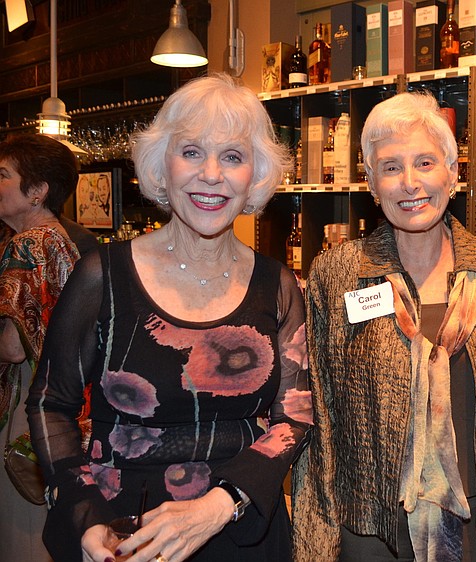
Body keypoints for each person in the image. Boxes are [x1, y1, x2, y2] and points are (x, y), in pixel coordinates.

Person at [26, 73, 312, 562]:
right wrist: (83, 513)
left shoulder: (278, 286)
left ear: (255, 176)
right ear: (163, 163)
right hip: (123, 530)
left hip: (240, 530)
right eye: (193, 152)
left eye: (234, 157)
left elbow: (295, 416)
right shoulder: (103, 276)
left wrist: (222, 503)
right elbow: (52, 404)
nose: (212, 175)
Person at [292, 92, 476, 561]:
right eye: (390, 167)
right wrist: (316, 541)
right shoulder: (338, 274)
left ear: (454, 172)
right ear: (371, 183)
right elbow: (320, 418)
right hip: (373, 529)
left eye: (425, 162)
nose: (410, 183)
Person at [0, 133, 87, 562]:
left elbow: (13, 347)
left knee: (20, 529)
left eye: (3, 174)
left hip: (22, 398)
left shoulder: (26, 245)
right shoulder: (61, 240)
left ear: (37, 191)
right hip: (59, 397)